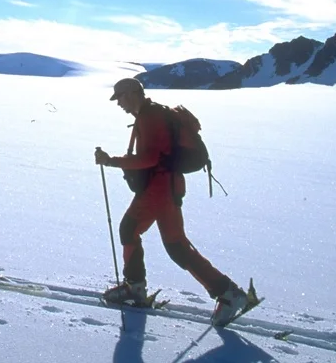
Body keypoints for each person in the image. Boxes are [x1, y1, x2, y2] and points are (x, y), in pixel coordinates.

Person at [94, 77, 249, 326]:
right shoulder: (152, 115)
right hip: (168, 187)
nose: (118, 104)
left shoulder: (149, 117)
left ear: (133, 94)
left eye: (120, 98)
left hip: (158, 189)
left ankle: (134, 288)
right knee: (176, 246)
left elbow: (150, 158)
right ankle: (228, 292)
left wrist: (112, 160)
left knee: (129, 229)